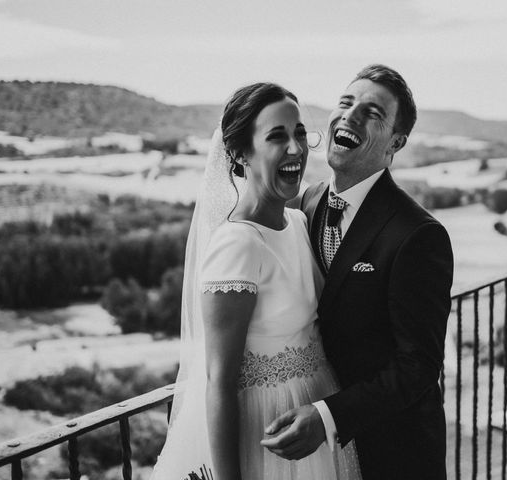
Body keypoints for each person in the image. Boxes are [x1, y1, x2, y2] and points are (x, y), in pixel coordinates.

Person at [150, 83, 361, 480]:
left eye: (299, 132)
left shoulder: (297, 223)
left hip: (311, 422)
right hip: (261, 435)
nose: (297, 148)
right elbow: (218, 381)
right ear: (239, 154)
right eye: (277, 136)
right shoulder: (238, 245)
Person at [261, 65, 454, 479]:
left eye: (372, 113)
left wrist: (329, 416)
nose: (350, 116)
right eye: (345, 103)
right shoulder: (306, 203)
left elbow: (417, 366)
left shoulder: (418, 235)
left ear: (395, 143)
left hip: (395, 451)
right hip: (317, 456)